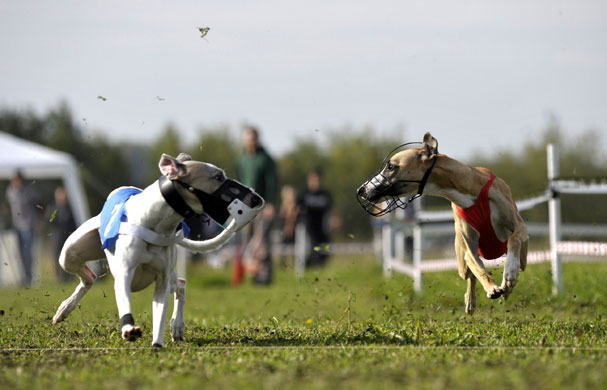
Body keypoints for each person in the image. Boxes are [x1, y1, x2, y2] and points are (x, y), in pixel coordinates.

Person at [235, 126, 278, 285]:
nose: (250, 141)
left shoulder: (265, 158)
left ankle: (265, 276)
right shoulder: (241, 159)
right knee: (247, 239)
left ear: (257, 139)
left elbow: (271, 182)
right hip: (246, 206)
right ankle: (252, 274)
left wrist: (271, 204)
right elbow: (239, 181)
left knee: (262, 242)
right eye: (248, 138)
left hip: (262, 206)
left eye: (253, 138)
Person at [5, 171, 42, 285]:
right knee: (19, 253)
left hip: (28, 225)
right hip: (17, 226)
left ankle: (29, 278)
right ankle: (23, 277)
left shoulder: (30, 192)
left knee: (27, 253)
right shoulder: (10, 191)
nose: (15, 183)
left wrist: (38, 222)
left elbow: (40, 205)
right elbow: (8, 205)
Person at [297, 168, 336, 267]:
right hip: (308, 226)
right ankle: (310, 266)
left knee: (325, 248)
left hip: (322, 226)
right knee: (312, 248)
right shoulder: (304, 194)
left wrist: (335, 219)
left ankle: (320, 265)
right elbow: (296, 209)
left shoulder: (325, 194)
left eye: (318, 179)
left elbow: (332, 209)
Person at [48, 186, 76, 282]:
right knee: (57, 256)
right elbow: (50, 222)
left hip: (68, 235)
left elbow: (73, 221)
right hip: (57, 236)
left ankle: (70, 276)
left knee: (69, 255)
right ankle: (60, 277)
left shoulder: (70, 208)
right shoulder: (53, 208)